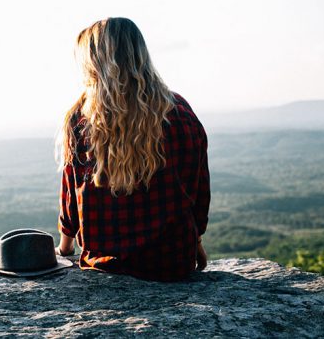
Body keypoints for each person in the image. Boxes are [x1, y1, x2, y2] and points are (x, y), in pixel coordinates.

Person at [54, 17, 210, 282]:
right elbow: (196, 190)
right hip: (172, 263)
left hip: (105, 267)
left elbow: (72, 201)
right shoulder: (179, 112)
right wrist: (195, 244)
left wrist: (64, 249)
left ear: (93, 64)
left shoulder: (81, 118)